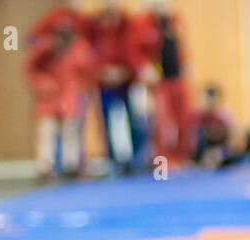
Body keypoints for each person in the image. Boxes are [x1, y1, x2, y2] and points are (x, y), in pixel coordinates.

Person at [26, 18, 95, 181]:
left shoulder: (79, 48)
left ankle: (70, 165)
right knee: (46, 131)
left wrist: (82, 92)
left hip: (70, 96)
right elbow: (31, 69)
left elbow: (86, 71)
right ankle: (45, 168)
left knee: (71, 131)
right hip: (48, 97)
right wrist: (43, 84)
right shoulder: (44, 48)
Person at [87, 0, 145, 173]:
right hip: (104, 81)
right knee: (106, 119)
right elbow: (90, 51)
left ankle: (136, 158)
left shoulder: (127, 23)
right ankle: (112, 160)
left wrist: (126, 71)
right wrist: (100, 72)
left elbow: (133, 49)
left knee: (135, 119)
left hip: (127, 80)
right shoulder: (94, 25)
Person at [132, 0, 191, 169]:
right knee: (162, 122)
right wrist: (144, 67)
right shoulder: (143, 24)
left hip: (176, 78)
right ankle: (162, 161)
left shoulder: (174, 20)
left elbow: (180, 45)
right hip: (159, 82)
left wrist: (186, 63)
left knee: (183, 120)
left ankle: (182, 157)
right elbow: (135, 51)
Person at [191, 85, 237, 167]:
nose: (208, 103)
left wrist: (222, 153)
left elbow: (234, 141)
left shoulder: (225, 116)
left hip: (222, 154)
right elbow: (193, 142)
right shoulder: (198, 117)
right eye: (204, 99)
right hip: (203, 156)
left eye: (210, 99)